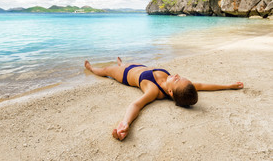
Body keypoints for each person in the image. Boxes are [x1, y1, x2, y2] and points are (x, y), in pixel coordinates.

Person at [85, 57, 244, 141]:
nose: (176, 75)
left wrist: (125, 123)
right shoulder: (176, 86)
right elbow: (202, 85)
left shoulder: (153, 90)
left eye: (176, 79)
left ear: (170, 92)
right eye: (180, 77)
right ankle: (123, 62)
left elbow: (136, 105)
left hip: (127, 75)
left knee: (107, 70)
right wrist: (228, 85)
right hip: (141, 67)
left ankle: (92, 68)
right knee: (133, 63)